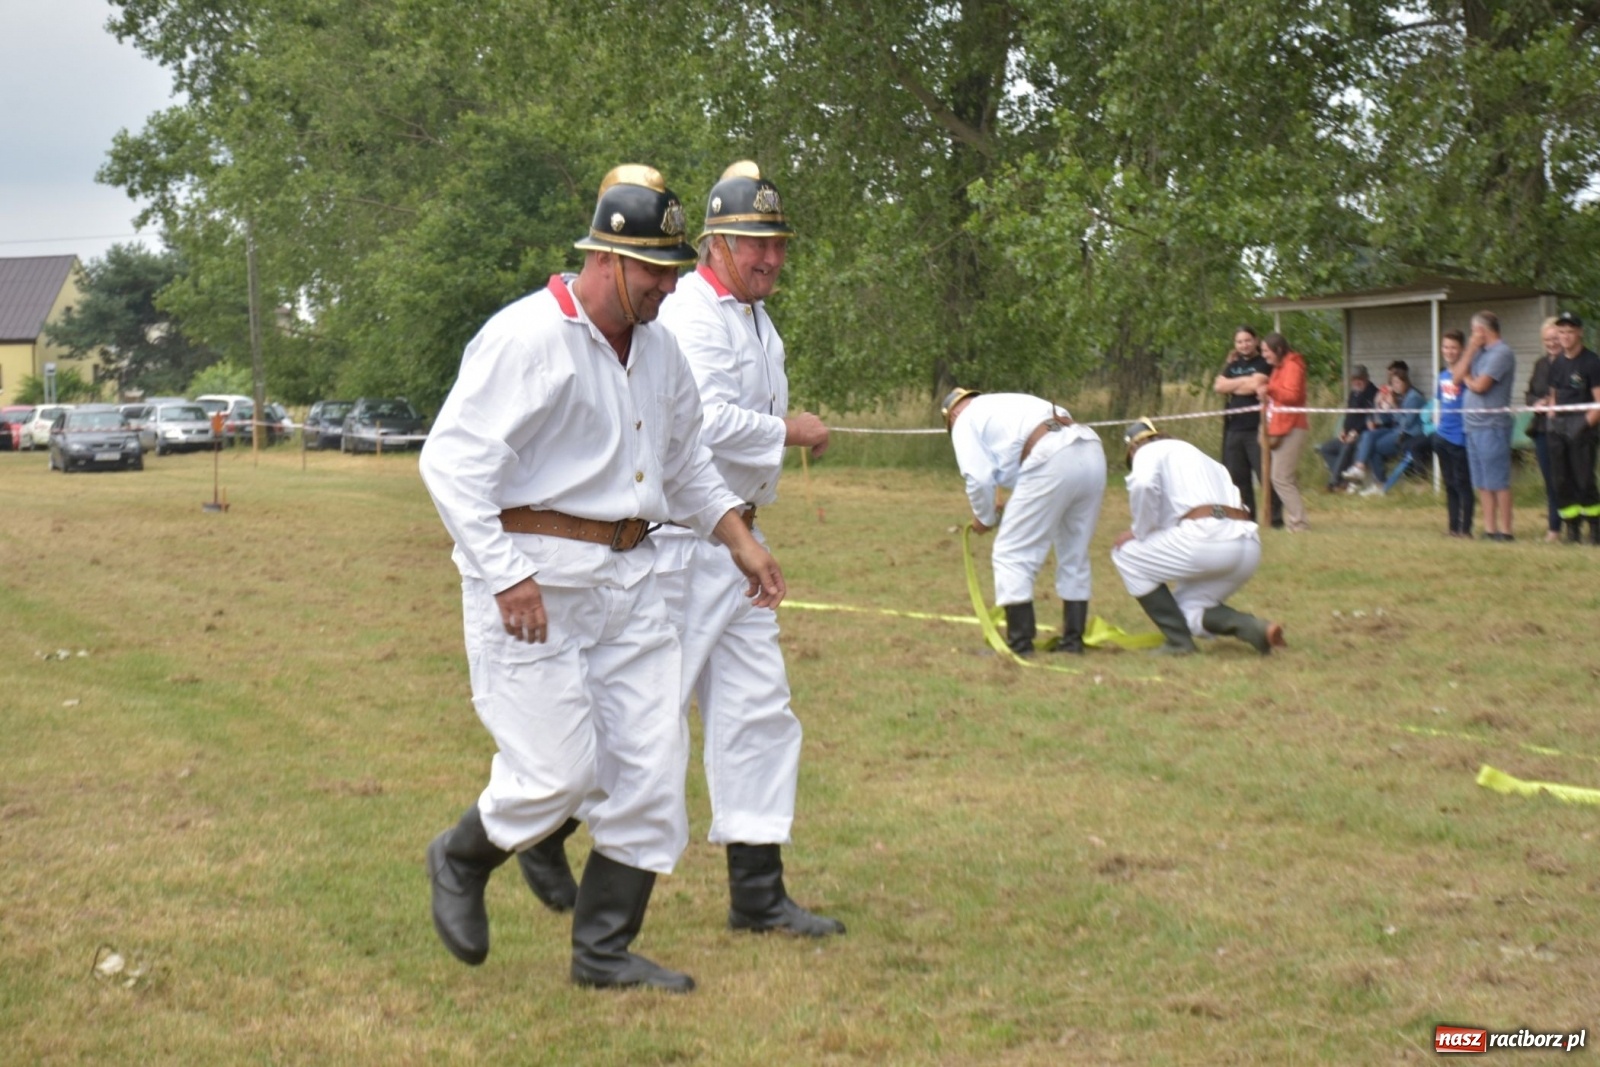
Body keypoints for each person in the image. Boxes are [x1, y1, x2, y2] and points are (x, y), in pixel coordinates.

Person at [418, 164, 787, 994]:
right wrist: (505, 574)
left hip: (634, 582)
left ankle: (603, 953)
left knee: (651, 770)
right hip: (535, 587)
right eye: (654, 269)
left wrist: (738, 539)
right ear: (606, 259)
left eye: (673, 267)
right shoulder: (526, 338)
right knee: (558, 771)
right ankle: (462, 853)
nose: (668, 284)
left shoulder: (658, 352)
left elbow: (687, 462)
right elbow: (452, 464)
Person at [518, 162, 845, 938]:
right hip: (682, 545)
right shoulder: (691, 312)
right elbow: (702, 430)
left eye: (777, 244)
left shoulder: (763, 323)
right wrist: (789, 430)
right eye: (751, 242)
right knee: (648, 711)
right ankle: (548, 823)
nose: (768, 257)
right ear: (715, 243)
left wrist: (750, 537)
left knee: (760, 709)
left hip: (737, 540)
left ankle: (758, 891)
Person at [942, 388, 1107, 655]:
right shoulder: (1004, 403)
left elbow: (978, 477)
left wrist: (984, 518)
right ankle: (1072, 642)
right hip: (1088, 448)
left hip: (1051, 456)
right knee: (1074, 551)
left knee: (1011, 552)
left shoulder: (963, 419)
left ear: (953, 414)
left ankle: (1020, 644)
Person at [1110, 418, 1286, 656]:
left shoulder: (1146, 451)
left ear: (1133, 448)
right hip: (1248, 544)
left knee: (1125, 554)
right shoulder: (1201, 457)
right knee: (1186, 610)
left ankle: (1178, 643)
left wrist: (1139, 531)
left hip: (1206, 540)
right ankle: (1253, 628)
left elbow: (1142, 485)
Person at [1457, 310, 1517, 541]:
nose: (1472, 335)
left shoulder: (1502, 353)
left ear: (1482, 331)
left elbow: (1481, 385)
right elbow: (1456, 377)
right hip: (1472, 425)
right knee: (1482, 482)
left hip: (1492, 425)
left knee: (1498, 481)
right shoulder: (1477, 352)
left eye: (1474, 331)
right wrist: (1470, 350)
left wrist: (1469, 380)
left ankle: (1506, 530)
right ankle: (1490, 529)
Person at [1212, 326, 1281, 526]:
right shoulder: (1232, 363)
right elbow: (1219, 387)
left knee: (1265, 476)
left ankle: (1275, 520)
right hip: (1234, 429)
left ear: (1255, 341)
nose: (1244, 345)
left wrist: (1234, 384)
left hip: (1257, 429)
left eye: (1247, 340)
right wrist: (1246, 382)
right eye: (1239, 342)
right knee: (1238, 478)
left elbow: (1256, 385)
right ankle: (1247, 519)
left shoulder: (1264, 362)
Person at [1543, 311, 1600, 544]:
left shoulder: (1592, 362)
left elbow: (1598, 402)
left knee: (1584, 480)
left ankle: (1595, 530)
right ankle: (1572, 530)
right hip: (1559, 428)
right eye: (1562, 331)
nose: (1565, 336)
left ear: (1579, 333)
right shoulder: (1557, 363)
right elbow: (1553, 396)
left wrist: (1583, 425)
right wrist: (1553, 418)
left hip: (1583, 428)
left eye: (1570, 331)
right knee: (1561, 481)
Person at [1255, 333, 1310, 531]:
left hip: (1293, 425)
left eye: (1266, 351)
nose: (1264, 355)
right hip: (1279, 424)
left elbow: (1293, 395)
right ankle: (1296, 520)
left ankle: (1299, 522)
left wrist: (1270, 390)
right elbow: (1277, 393)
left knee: (1280, 477)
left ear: (1278, 350)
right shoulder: (1278, 368)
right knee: (1283, 477)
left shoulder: (1293, 366)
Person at [1343, 362, 1426, 492]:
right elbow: (1387, 419)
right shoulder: (1398, 396)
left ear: (1406, 382)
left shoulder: (1414, 397)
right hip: (1394, 429)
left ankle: (1379, 482)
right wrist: (1380, 405)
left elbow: (1406, 423)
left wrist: (1393, 406)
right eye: (1393, 384)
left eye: (1398, 383)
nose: (1395, 386)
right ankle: (1359, 468)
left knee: (1373, 446)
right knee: (1367, 435)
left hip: (1408, 434)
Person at [1526, 319, 1565, 542]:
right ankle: (1554, 528)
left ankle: (1576, 527)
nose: (1552, 343)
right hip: (1542, 430)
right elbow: (1529, 393)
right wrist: (1536, 402)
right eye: (1547, 340)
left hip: (1568, 430)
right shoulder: (1540, 364)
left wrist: (1556, 400)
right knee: (1550, 481)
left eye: (1555, 338)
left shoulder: (1573, 363)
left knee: (1569, 479)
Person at [1435, 330, 1475, 537]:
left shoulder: (1467, 375)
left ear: (1461, 349)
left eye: (1453, 347)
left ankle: (1466, 529)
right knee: (1449, 484)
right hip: (1442, 436)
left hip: (1460, 438)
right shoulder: (1442, 376)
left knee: (1463, 484)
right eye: (1446, 347)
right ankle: (1452, 527)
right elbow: (1441, 404)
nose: (1449, 351)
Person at [1316, 365, 1377, 492]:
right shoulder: (1353, 393)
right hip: (1348, 433)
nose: (1357, 382)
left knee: (1346, 447)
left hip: (1363, 435)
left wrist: (1356, 432)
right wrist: (1344, 430)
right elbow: (1349, 415)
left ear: (1366, 378)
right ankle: (1343, 481)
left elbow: (1371, 419)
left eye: (1360, 378)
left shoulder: (1372, 394)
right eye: (1354, 379)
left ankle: (1333, 483)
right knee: (1326, 448)